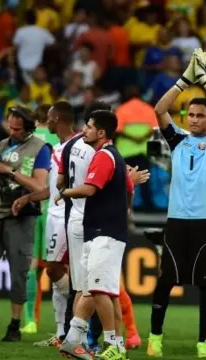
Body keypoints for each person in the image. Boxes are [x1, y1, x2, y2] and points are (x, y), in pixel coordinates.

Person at [147, 48, 206, 358]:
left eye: (200, 116)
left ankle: (203, 344)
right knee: (166, 280)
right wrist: (186, 78)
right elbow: (159, 109)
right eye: (191, 115)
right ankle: (155, 338)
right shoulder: (178, 139)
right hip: (178, 219)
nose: (194, 120)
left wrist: (204, 77)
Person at [58, 110, 134, 360]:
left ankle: (113, 344)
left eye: (89, 127)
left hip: (106, 233)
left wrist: (65, 192)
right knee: (97, 289)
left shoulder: (104, 156)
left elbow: (89, 189)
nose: (84, 130)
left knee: (99, 290)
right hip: (100, 231)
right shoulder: (111, 156)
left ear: (101, 133)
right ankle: (75, 341)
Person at [0, 106, 51, 341]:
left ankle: (14, 325)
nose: (13, 131)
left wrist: (9, 171)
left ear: (28, 127)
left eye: (18, 128)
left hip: (23, 217)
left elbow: (41, 187)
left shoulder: (40, 148)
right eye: (10, 126)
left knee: (19, 272)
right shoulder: (0, 147)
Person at [11, 101, 76, 347]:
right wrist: (28, 197)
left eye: (49, 117)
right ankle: (61, 332)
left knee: (57, 270)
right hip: (52, 215)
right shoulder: (57, 148)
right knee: (54, 270)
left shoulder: (78, 145)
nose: (45, 122)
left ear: (57, 118)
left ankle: (80, 311)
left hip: (70, 216)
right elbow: (49, 188)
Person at [22, 104, 61, 334]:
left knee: (31, 268)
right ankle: (64, 324)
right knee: (61, 267)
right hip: (55, 208)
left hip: (32, 206)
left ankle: (30, 320)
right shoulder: (64, 140)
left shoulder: (30, 140)